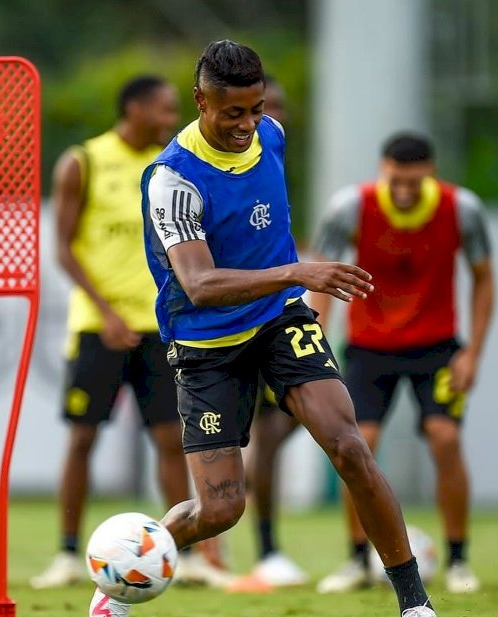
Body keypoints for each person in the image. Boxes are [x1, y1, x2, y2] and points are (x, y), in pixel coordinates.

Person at [89, 41, 438, 617]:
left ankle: (415, 604)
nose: (248, 125)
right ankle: (121, 572)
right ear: (201, 101)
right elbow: (199, 284)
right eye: (233, 113)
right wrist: (298, 269)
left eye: (256, 109)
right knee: (222, 509)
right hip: (206, 345)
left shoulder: (271, 135)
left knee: (349, 446)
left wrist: (291, 284)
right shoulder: (172, 179)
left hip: (279, 319)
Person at [31, 76, 229, 590]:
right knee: (82, 437)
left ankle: (177, 553)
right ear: (134, 108)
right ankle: (69, 554)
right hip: (99, 327)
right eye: (163, 110)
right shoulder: (84, 161)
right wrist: (107, 311)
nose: (170, 120)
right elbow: (64, 249)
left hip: (159, 329)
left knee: (170, 438)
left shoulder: (172, 165)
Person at [311, 133, 494, 595]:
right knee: (357, 444)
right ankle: (357, 561)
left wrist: (472, 352)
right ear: (382, 169)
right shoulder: (350, 208)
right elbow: (321, 275)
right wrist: (316, 343)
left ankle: (457, 560)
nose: (406, 191)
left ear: (430, 173)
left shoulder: (462, 209)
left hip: (437, 348)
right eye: (397, 180)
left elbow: (484, 279)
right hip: (369, 348)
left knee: (445, 437)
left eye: (416, 181)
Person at [226, 75, 307, 591]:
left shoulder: (272, 157)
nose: (263, 121)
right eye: (258, 109)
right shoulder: (206, 166)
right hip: (230, 325)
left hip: (279, 318)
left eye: (271, 109)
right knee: (248, 439)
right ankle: (261, 547)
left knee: (282, 431)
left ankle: (268, 547)